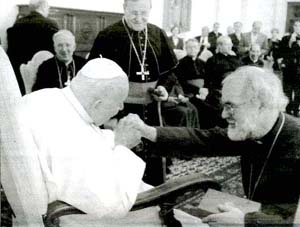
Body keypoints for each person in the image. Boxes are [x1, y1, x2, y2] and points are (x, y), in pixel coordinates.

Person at [13, 57, 203, 227]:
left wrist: (114, 137)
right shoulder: (67, 137)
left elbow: (87, 142)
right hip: (89, 217)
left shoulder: (46, 97)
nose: (120, 107)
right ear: (98, 104)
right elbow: (108, 204)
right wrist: (122, 146)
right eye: (118, 101)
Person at [125, 66, 300, 226]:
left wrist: (246, 221)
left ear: (259, 105)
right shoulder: (254, 128)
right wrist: (147, 131)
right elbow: (204, 140)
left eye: (231, 107)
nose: (224, 114)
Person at [6, 0, 59, 95]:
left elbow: (12, 54)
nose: (49, 9)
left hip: (20, 76)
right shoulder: (50, 24)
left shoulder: (17, 23)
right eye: (48, 7)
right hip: (43, 77)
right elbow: (57, 53)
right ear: (43, 7)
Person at [280, 20, 300, 117]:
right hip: (288, 69)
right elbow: (281, 52)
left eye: (299, 26)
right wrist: (290, 43)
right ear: (293, 27)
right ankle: (288, 110)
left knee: (298, 92)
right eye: (296, 25)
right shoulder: (286, 38)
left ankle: (296, 111)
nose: (297, 28)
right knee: (287, 91)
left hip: (299, 70)